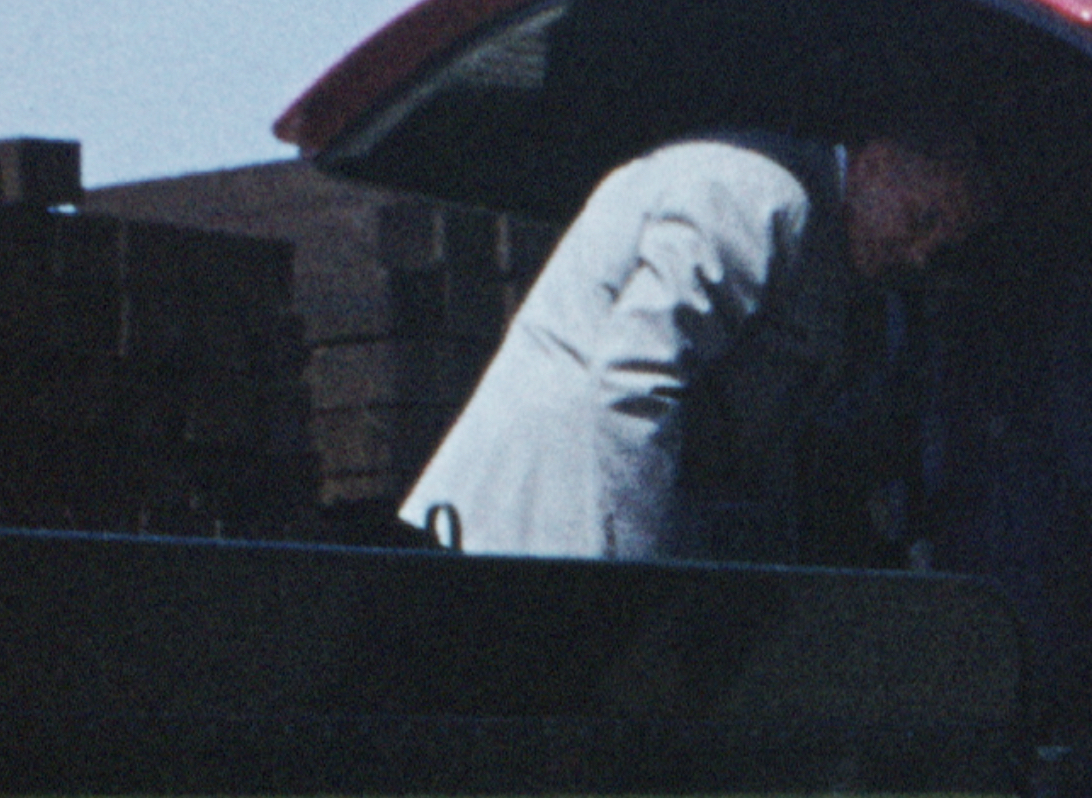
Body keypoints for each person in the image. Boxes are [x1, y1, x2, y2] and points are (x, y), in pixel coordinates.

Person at [398, 126, 993, 560]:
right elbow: (634, 387)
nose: (919, 255)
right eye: (921, 220)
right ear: (874, 165)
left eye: (939, 244)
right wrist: (639, 589)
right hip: (542, 526)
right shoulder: (757, 197)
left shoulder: (831, 257)